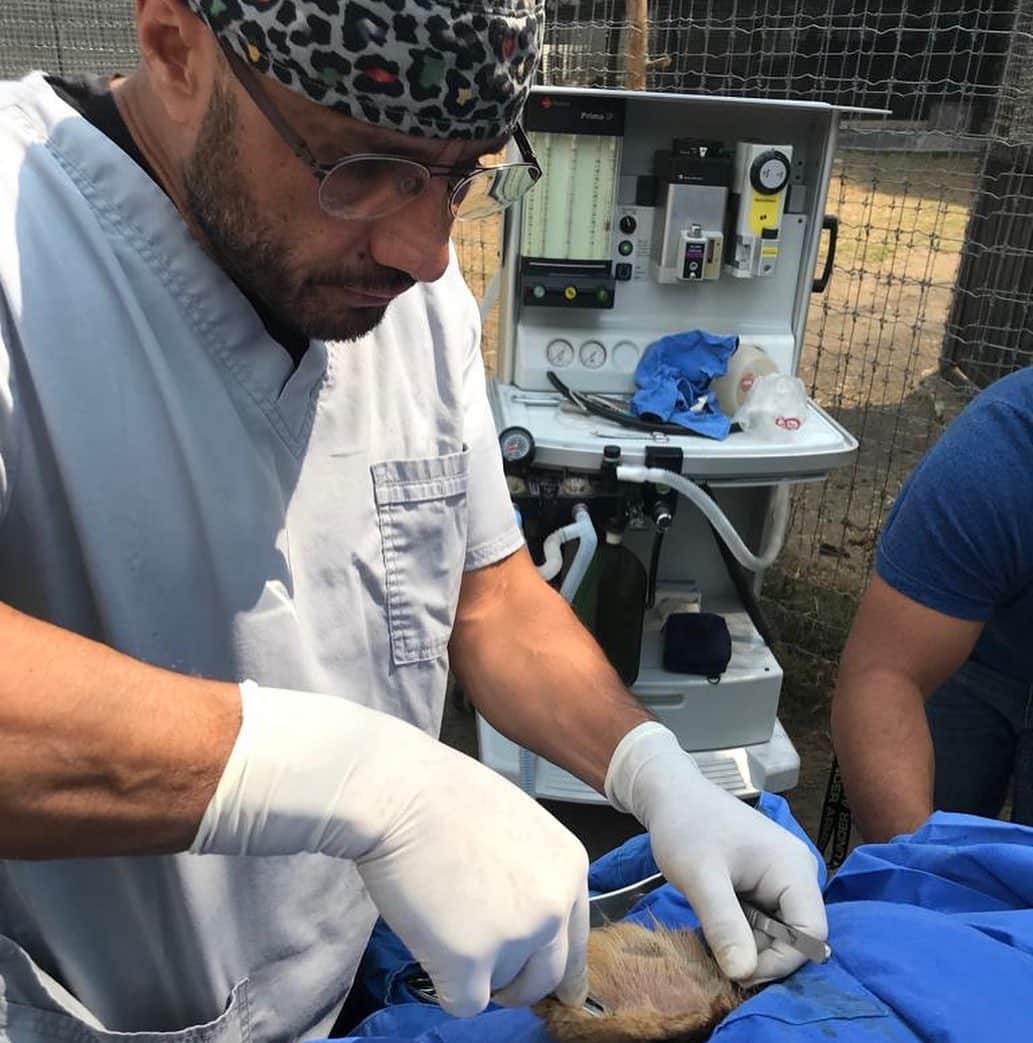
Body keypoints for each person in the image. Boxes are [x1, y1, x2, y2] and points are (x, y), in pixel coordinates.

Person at [0, 1, 826, 1039]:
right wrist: (352, 779)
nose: (426, 250)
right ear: (173, 44)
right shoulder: (20, 250)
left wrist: (654, 771)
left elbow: (489, 598)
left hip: (345, 984)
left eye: (460, 175)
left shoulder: (412, 303)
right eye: (360, 166)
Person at [832, 367, 1033, 843]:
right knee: (924, 827)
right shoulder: (999, 454)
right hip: (981, 650)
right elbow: (883, 676)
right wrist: (919, 881)